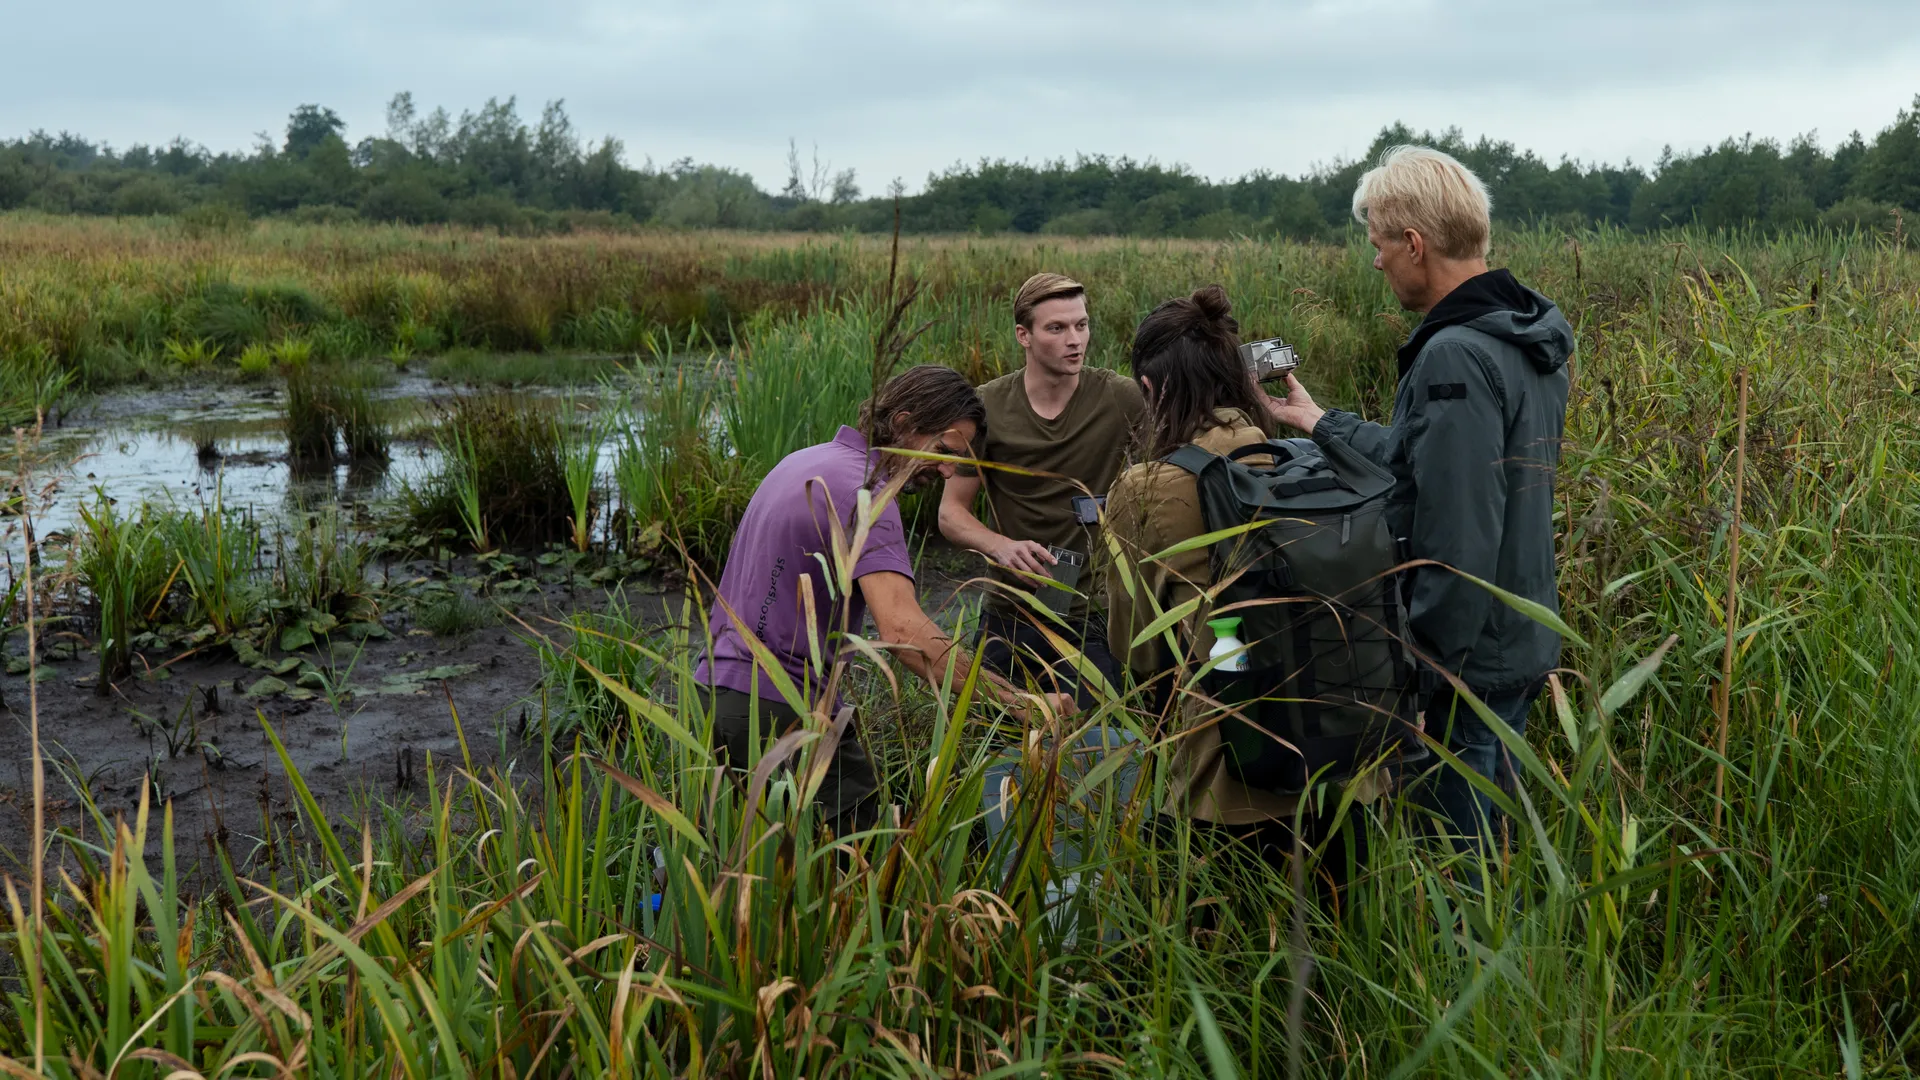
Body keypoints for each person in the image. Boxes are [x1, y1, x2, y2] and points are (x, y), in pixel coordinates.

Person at [1263, 145, 1574, 853]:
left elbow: (1456, 528)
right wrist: (1318, 423)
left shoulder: (1454, 353)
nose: (1375, 262)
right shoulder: (1525, 335)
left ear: (1414, 243)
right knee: (1495, 850)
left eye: (1378, 245)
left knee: (1456, 866)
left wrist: (1424, 674)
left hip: (1466, 660)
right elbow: (1425, 462)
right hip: (1514, 630)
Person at [695, 364, 1075, 833]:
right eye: (942, 450)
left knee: (738, 862)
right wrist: (1018, 701)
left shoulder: (806, 461)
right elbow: (902, 631)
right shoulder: (867, 495)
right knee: (857, 855)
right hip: (780, 707)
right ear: (902, 424)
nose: (948, 470)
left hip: (714, 690)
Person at [1104, 286, 1388, 890]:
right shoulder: (1316, 465)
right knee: (1343, 950)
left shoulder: (1146, 487)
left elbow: (1136, 650)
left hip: (1228, 778)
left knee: (1229, 956)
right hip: (1353, 761)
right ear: (1244, 384)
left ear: (1151, 392)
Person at [938, 273, 1146, 707]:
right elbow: (951, 512)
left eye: (1081, 325)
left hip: (1092, 616)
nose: (1075, 340)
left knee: (1095, 755)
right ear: (1024, 336)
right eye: (1057, 328)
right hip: (1008, 614)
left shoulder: (1121, 398)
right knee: (994, 754)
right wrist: (1000, 546)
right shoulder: (987, 406)